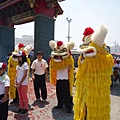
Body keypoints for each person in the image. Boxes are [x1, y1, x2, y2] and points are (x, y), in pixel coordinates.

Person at [73, 24, 114, 120]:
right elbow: (81, 70)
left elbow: (106, 68)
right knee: (84, 111)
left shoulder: (104, 57)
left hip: (96, 92)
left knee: (96, 111)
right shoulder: (83, 56)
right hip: (84, 89)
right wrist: (83, 58)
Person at [49, 40, 75, 116]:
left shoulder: (67, 60)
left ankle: (68, 108)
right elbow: (52, 65)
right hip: (58, 79)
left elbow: (70, 65)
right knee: (59, 93)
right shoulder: (56, 62)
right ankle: (60, 105)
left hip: (65, 80)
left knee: (66, 95)